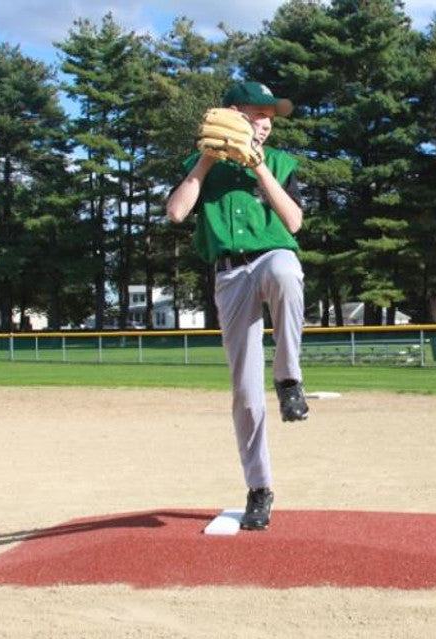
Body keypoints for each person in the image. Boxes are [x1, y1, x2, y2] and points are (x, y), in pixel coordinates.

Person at [166, 81, 309, 531]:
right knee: (246, 395)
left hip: (271, 256)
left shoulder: (281, 162)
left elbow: (294, 222)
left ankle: (288, 378)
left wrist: (262, 169)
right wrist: (207, 159)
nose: (266, 122)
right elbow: (175, 213)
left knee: (286, 271)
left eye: (270, 117)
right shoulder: (200, 165)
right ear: (232, 115)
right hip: (229, 275)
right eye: (257, 114)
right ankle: (260, 488)